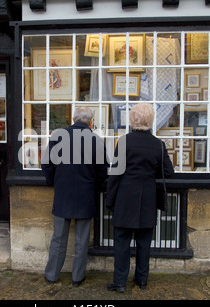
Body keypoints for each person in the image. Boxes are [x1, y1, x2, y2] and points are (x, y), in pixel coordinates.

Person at [106, 103, 174, 293]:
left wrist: (109, 201)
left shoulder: (125, 141)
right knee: (144, 244)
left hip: (125, 198)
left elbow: (115, 175)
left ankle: (120, 282)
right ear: (151, 120)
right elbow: (168, 172)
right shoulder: (158, 145)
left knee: (122, 244)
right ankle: (142, 280)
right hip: (148, 200)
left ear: (132, 119)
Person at [41, 106, 109, 287]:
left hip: (63, 192)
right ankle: (77, 278)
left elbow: (46, 164)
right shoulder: (96, 141)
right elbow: (103, 170)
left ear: (73, 119)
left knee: (58, 238)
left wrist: (54, 182)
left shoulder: (58, 137)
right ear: (90, 122)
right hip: (86, 194)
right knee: (82, 240)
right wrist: (95, 184)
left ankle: (52, 275)